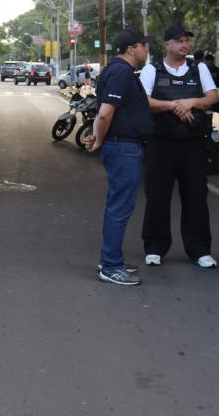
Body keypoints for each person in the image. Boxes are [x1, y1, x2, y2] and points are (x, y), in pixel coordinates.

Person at [139, 24, 219, 268]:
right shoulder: (152, 70)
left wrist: (191, 102)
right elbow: (143, 101)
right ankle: (155, 248)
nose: (185, 45)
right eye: (179, 41)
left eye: (186, 41)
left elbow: (212, 97)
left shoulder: (199, 68)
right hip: (160, 144)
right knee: (157, 196)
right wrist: (174, 106)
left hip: (193, 143)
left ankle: (200, 250)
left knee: (196, 196)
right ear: (167, 44)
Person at [84, 28, 153, 286]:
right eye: (143, 45)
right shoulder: (121, 72)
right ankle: (111, 266)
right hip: (123, 147)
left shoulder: (117, 71)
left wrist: (97, 136)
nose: (147, 50)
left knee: (119, 205)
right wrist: (100, 139)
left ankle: (111, 259)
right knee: (120, 207)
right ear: (131, 49)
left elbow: (103, 112)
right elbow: (105, 113)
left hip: (124, 146)